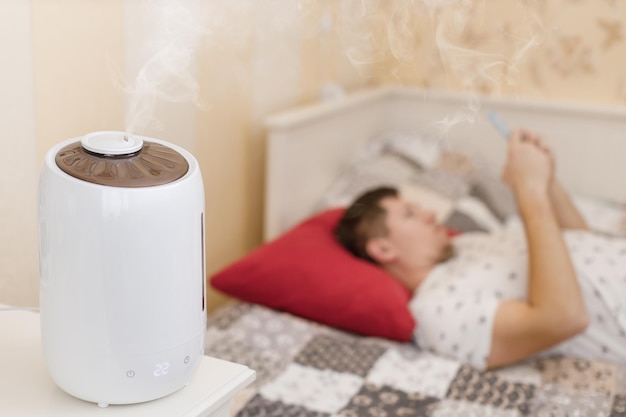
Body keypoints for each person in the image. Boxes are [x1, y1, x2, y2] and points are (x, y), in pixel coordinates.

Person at [335, 129, 626, 370]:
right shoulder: (437, 310)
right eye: (409, 214)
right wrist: (528, 191)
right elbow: (564, 319)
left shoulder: (466, 244)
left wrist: (548, 182)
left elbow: (581, 245)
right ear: (383, 249)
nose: (428, 214)